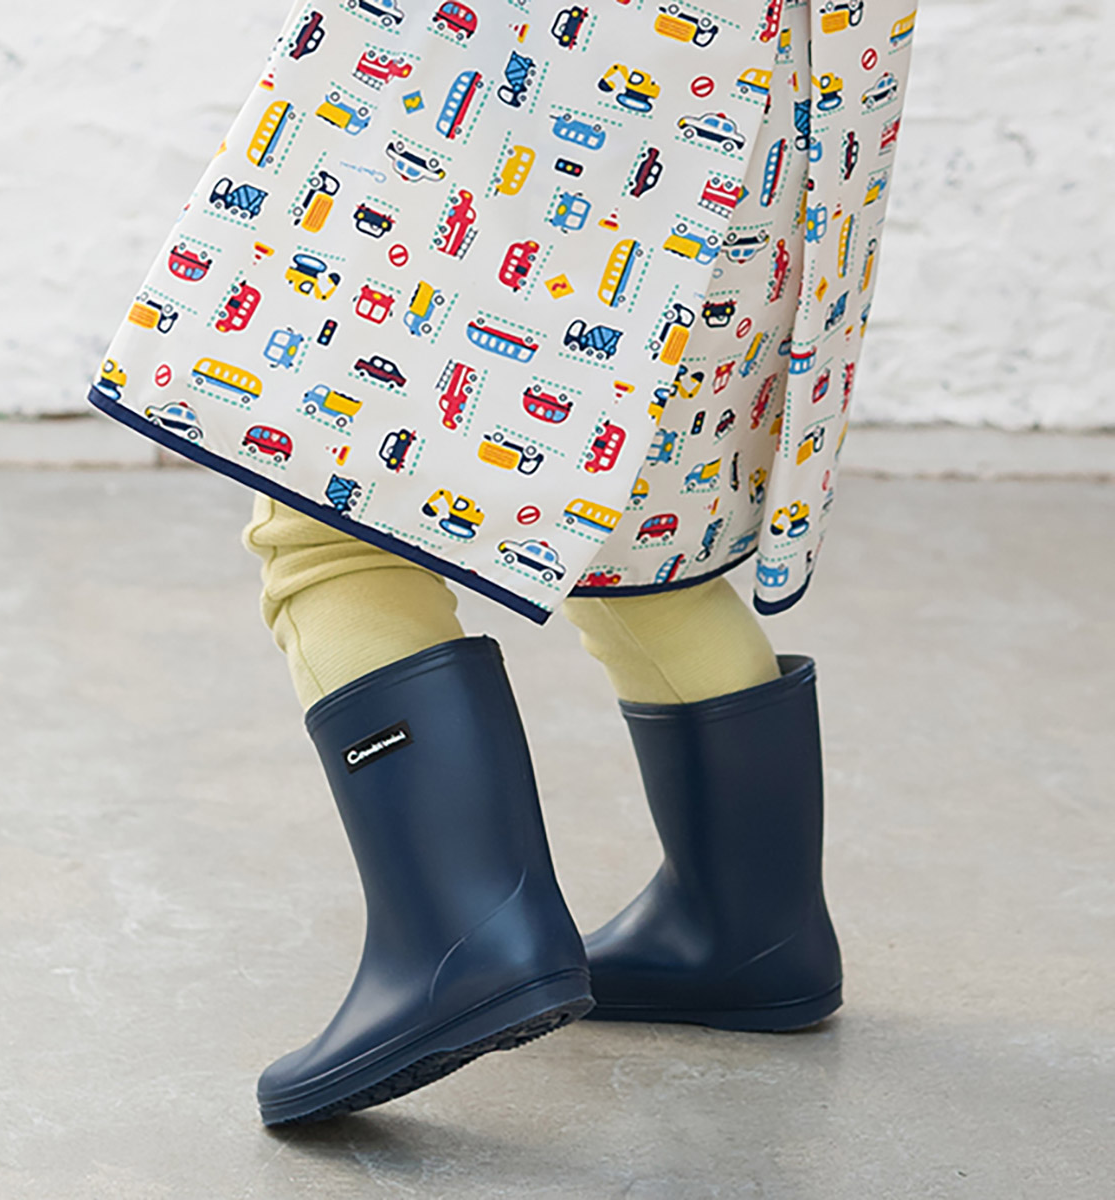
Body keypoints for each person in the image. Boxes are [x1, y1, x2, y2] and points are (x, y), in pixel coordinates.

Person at [90, 0, 917, 1125]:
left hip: (557, 58)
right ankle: (746, 929)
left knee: (331, 494)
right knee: (636, 512)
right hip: (775, 69)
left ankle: (461, 940)